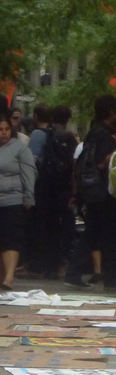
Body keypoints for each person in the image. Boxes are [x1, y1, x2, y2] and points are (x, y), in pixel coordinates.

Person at [65, 94, 116, 289]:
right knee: (107, 233)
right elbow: (102, 163)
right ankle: (109, 277)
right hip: (104, 191)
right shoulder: (106, 135)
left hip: (91, 190)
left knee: (94, 231)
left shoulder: (92, 132)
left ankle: (76, 272)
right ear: (111, 112)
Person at [33, 106, 77, 278]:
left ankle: (49, 266)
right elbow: (74, 164)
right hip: (64, 187)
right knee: (65, 226)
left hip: (46, 186)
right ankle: (62, 264)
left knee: (48, 225)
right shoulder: (70, 137)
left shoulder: (44, 135)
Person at [0, 112, 36, 288]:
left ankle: (9, 277)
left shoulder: (20, 148)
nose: (3, 133)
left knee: (10, 239)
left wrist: (29, 195)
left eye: (6, 129)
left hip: (13, 199)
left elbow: (29, 172)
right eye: (0, 130)